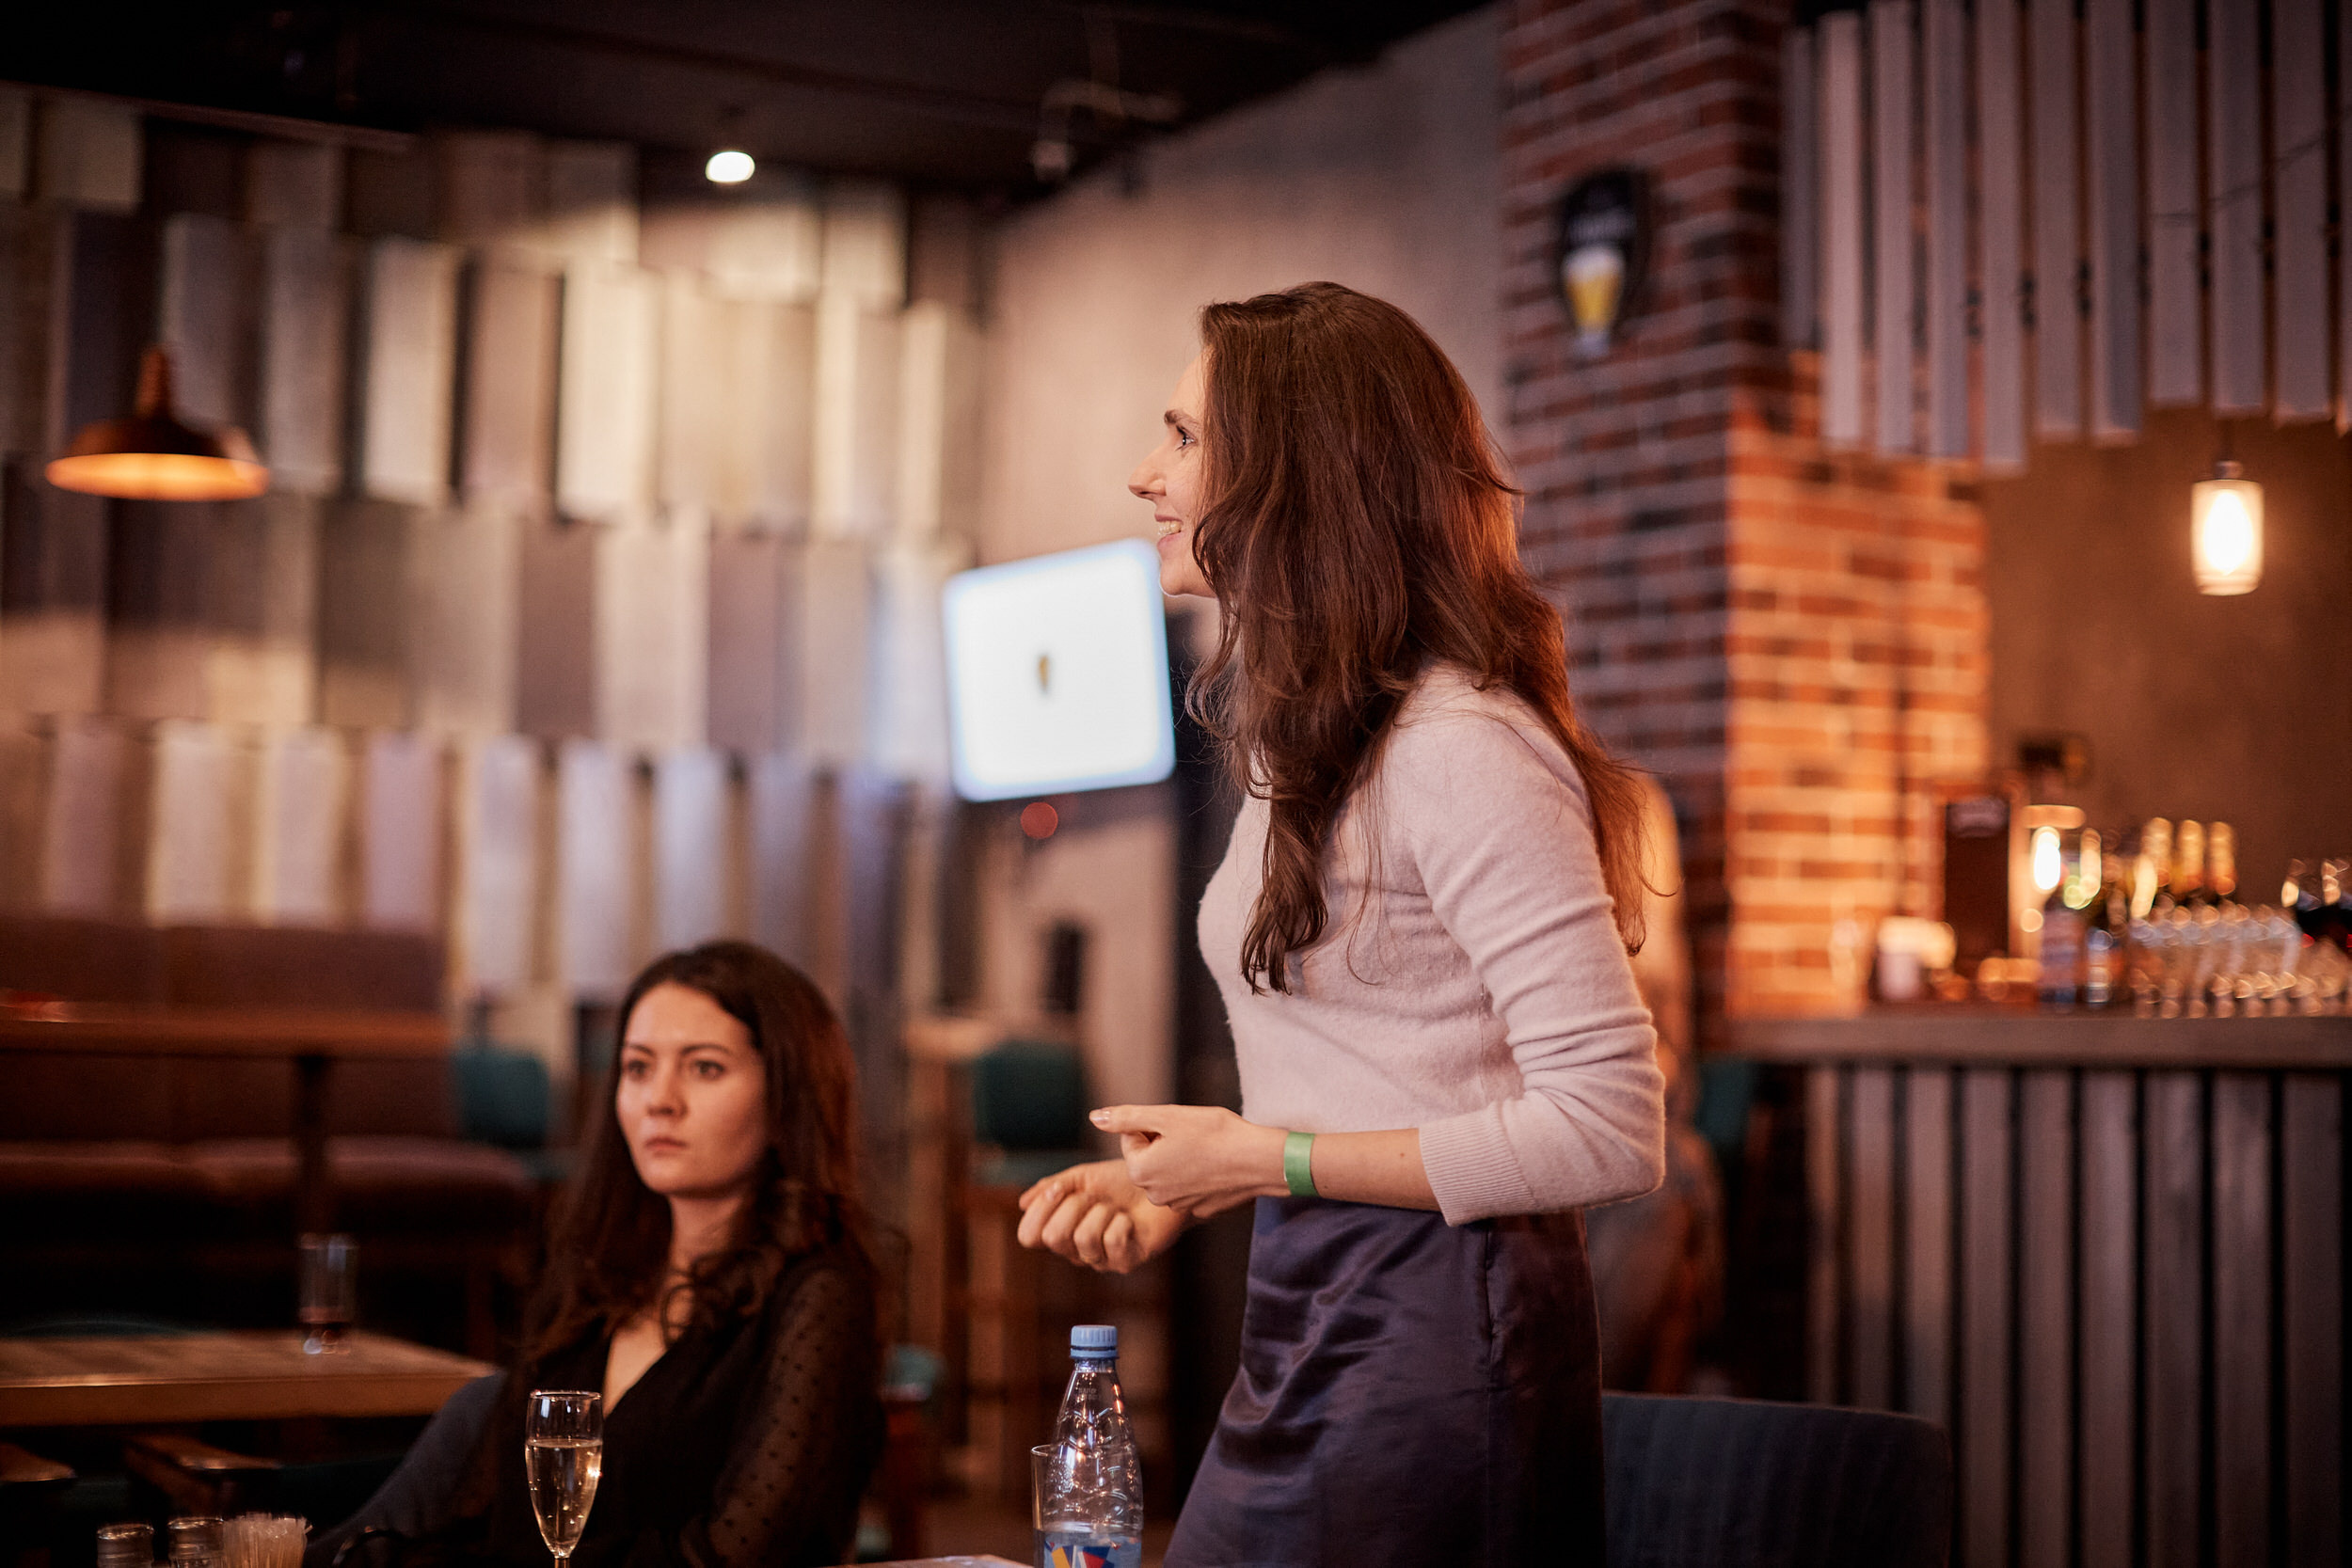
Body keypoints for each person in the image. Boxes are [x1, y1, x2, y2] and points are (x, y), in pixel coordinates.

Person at [1017, 282, 1665, 1566]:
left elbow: (1610, 1124)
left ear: (1298, 473)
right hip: (1316, 1292)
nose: (1144, 475)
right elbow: (1367, 1072)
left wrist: (1261, 1159)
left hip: (1443, 1332)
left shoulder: (1461, 742)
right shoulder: (1312, 745)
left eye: (1184, 437)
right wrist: (1190, 1180)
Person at [310, 942, 883, 1568]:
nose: (659, 1100)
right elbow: (499, 1518)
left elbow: (736, 1556)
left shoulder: (821, 1291)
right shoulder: (598, 1272)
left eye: (705, 1068)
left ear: (785, 1098)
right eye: (638, 1068)